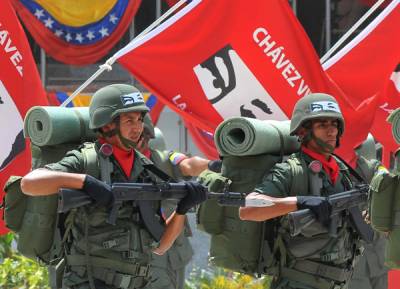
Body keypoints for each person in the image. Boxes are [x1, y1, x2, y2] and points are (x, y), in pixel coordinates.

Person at [20, 84, 207, 289]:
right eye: (129, 120)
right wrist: (85, 182)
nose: (138, 127)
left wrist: (182, 210)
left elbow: (162, 246)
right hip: (89, 281)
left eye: (139, 119)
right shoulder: (86, 160)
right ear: (107, 124)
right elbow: (30, 183)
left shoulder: (146, 168)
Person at [239, 93, 380, 289]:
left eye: (334, 124)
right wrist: (298, 202)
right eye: (322, 125)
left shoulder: (345, 171)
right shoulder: (290, 170)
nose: (331, 131)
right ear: (304, 131)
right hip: (298, 282)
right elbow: (248, 208)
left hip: (339, 282)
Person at [136, 114, 219, 289]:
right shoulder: (113, 164)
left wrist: (211, 165)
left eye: (144, 135)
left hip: (173, 253)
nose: (138, 140)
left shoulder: (164, 158)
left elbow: (188, 165)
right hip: (138, 251)